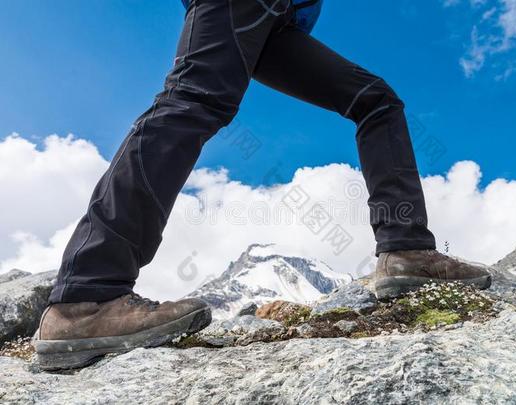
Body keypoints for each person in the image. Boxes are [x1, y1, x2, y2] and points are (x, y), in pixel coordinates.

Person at [35, 0, 491, 370]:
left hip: (279, 19)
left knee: (376, 101)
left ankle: (407, 251)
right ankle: (84, 299)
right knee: (193, 99)